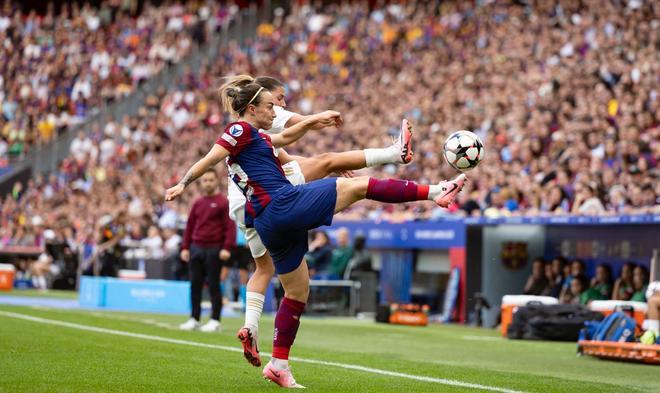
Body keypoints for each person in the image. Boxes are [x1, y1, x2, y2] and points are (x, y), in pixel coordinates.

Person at [165, 83, 465, 387]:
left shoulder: (258, 137)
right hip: (280, 205)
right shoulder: (239, 129)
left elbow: (287, 138)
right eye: (270, 105)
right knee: (358, 187)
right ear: (252, 109)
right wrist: (183, 183)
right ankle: (437, 191)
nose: (275, 110)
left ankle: (278, 364)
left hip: (268, 221)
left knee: (296, 292)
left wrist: (312, 121)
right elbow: (211, 157)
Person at [215, 75, 415, 370]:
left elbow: (280, 155)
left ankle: (251, 328)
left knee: (263, 268)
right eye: (279, 97)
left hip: (243, 210)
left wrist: (328, 163)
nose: (281, 104)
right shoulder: (266, 112)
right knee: (327, 160)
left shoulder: (246, 125)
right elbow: (297, 128)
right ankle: (393, 153)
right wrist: (319, 130)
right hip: (266, 198)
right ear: (261, 99)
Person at [178, 169, 236, 333]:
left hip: (214, 249)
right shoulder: (197, 203)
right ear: (201, 182)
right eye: (205, 180)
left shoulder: (224, 202)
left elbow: (230, 228)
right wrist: (185, 247)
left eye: (211, 180)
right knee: (195, 284)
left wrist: (226, 248)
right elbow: (189, 227)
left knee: (213, 285)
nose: (208, 183)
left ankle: (215, 320)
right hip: (196, 247)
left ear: (216, 181)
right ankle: (194, 318)